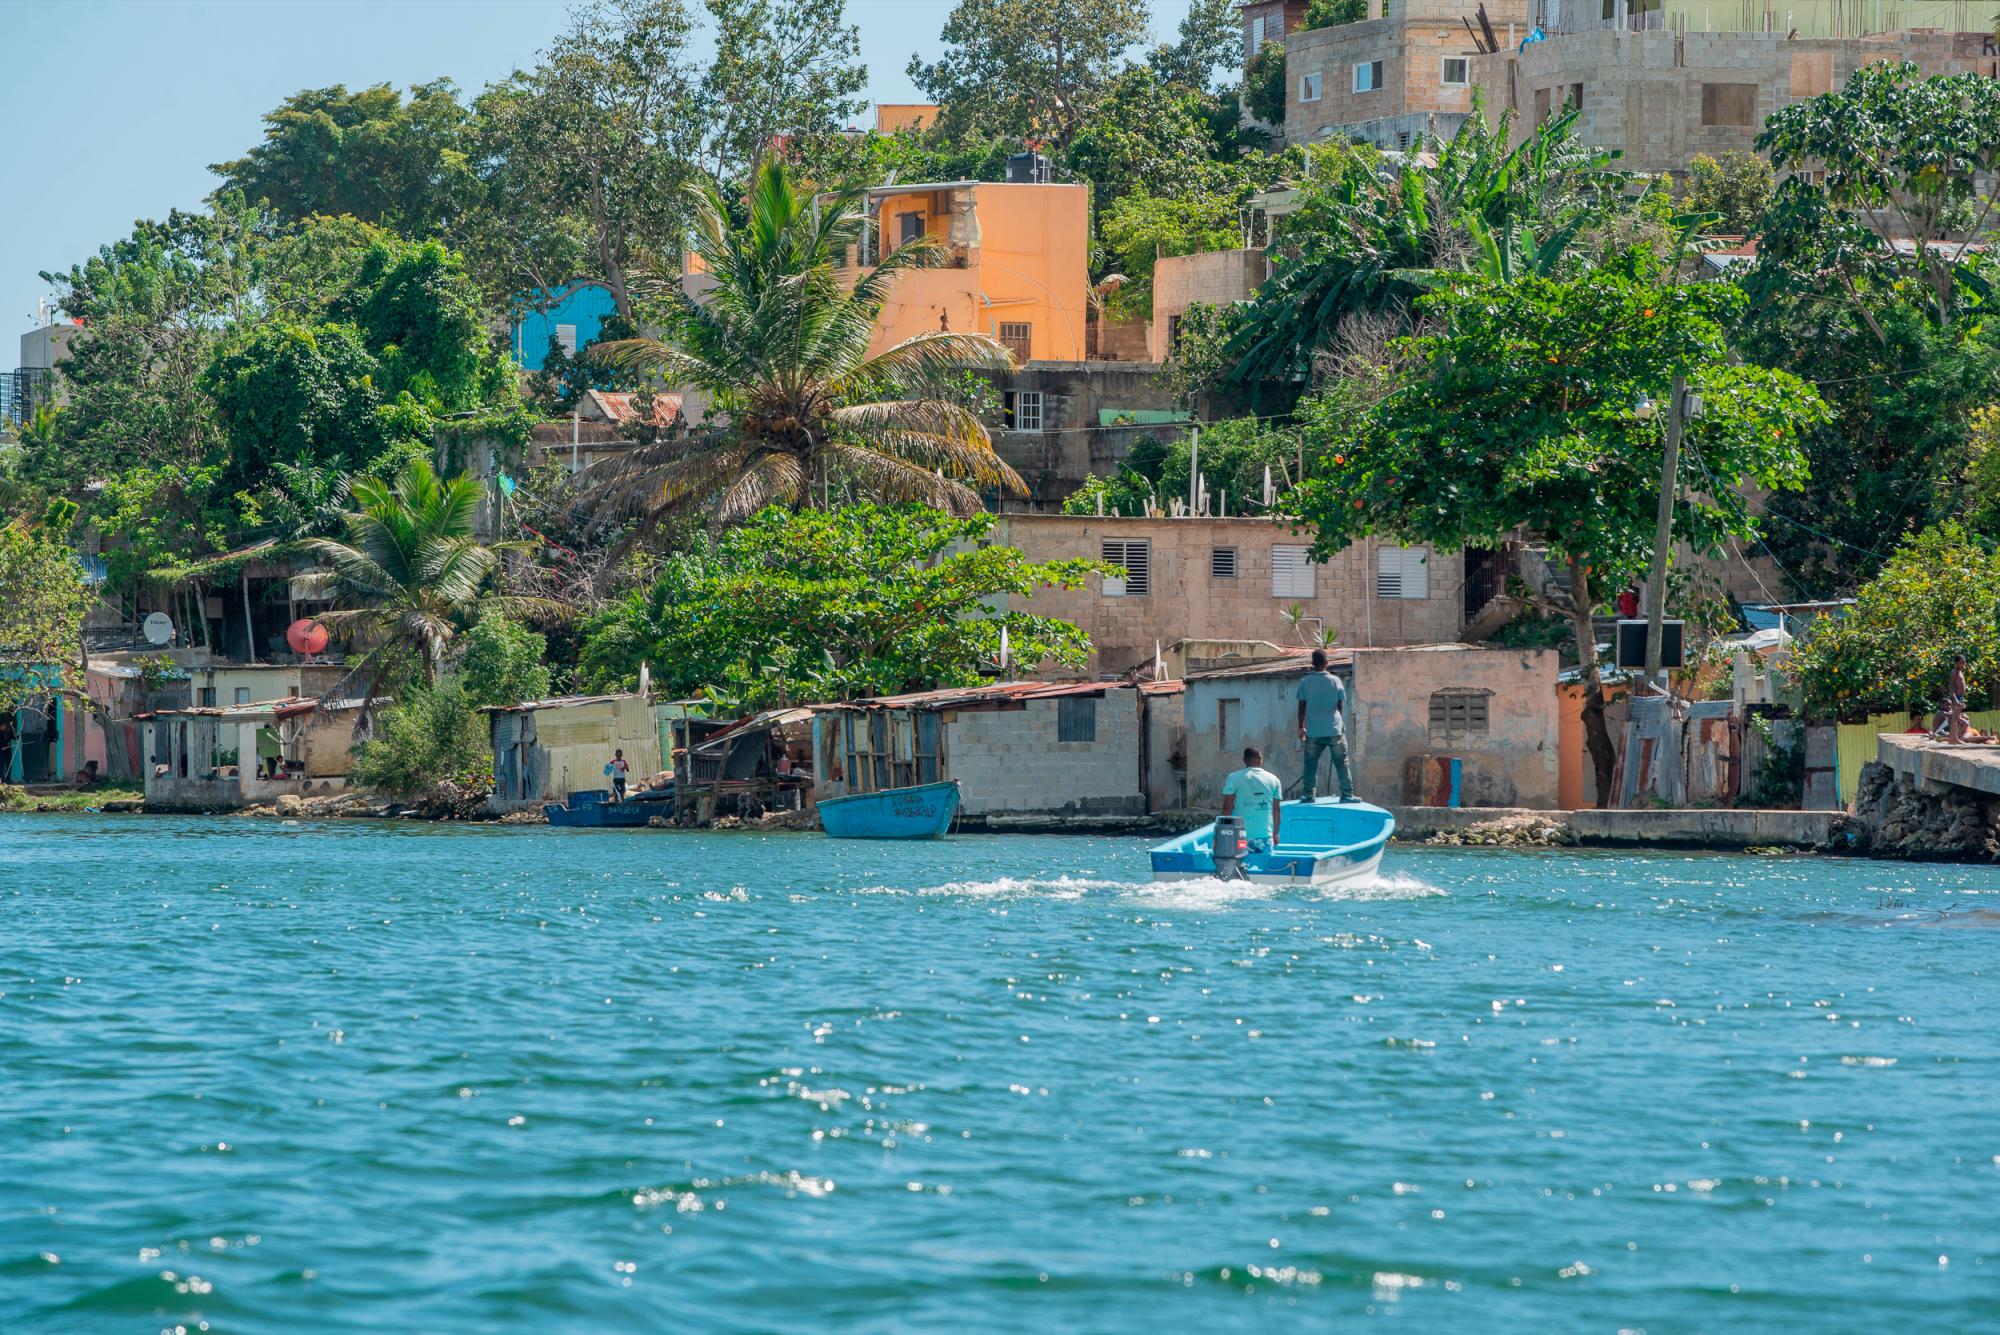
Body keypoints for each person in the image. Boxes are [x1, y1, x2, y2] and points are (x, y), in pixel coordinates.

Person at [1295, 649, 1356, 802]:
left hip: (1314, 731)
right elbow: (1339, 705)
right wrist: (1339, 723)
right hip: (1334, 728)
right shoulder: (1335, 681)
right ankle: (1347, 795)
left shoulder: (1305, 682)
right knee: (1342, 763)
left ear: (1312, 664)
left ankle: (1308, 795)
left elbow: (1302, 706)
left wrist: (1301, 727)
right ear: (1327, 663)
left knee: (1310, 764)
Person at [1221, 745, 1283, 853]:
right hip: (1266, 836)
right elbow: (1276, 810)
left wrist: (1225, 833)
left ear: (1244, 760)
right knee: (1264, 866)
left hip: (1241, 836)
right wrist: (1275, 834)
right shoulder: (1274, 779)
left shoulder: (1233, 778)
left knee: (1240, 866)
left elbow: (1227, 808)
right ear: (1260, 760)